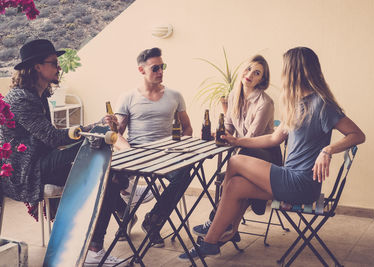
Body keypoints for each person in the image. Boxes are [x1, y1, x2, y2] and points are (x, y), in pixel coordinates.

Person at [179, 46, 366, 260]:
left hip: (301, 184)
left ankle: (222, 225)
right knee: (234, 186)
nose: (282, 74)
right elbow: (273, 138)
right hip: (289, 179)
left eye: (285, 68)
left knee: (236, 162)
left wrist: (328, 150)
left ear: (295, 71)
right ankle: (214, 241)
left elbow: (358, 135)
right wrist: (237, 140)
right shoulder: (296, 103)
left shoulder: (322, 105)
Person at [0, 39, 128, 266]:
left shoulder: (38, 97)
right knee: (95, 146)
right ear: (37, 67)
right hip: (24, 170)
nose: (58, 68)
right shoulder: (20, 99)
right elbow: (53, 137)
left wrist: (94, 126)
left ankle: (94, 246)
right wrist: (95, 132)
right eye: (53, 63)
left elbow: (54, 137)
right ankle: (124, 201)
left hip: (42, 161)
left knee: (109, 179)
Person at [192, 55, 283, 241]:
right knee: (236, 174)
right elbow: (229, 127)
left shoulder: (265, 103)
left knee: (236, 167)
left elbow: (251, 138)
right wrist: (216, 135)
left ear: (261, 80)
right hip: (245, 152)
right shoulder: (233, 96)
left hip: (265, 155)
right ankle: (229, 227)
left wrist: (232, 140)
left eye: (256, 73)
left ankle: (216, 221)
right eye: (249, 69)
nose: (250, 74)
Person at [114, 47, 193, 247]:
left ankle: (154, 221)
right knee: (109, 176)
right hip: (136, 153)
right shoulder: (128, 97)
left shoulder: (175, 95)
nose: (160, 71)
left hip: (166, 154)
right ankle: (125, 215)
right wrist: (129, 152)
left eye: (162, 67)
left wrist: (180, 147)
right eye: (155, 68)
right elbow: (116, 134)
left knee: (184, 172)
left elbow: (187, 128)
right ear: (142, 70)